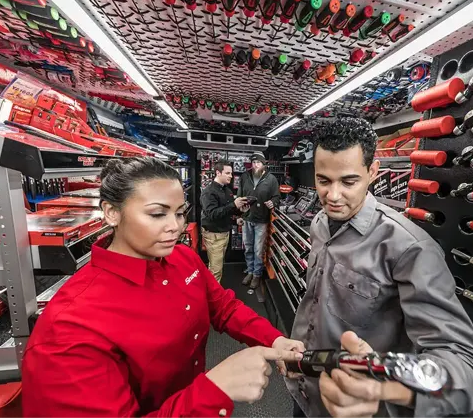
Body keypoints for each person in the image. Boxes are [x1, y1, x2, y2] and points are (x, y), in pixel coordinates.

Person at [22, 157, 304, 417]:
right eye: (158, 214)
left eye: (180, 213)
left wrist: (274, 339)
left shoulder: (183, 258)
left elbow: (224, 308)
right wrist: (214, 389)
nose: (175, 227)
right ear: (111, 212)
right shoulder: (68, 329)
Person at [286, 118, 473, 418]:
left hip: (360, 408)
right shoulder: (319, 224)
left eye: (348, 182)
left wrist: (389, 387)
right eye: (323, 181)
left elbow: (465, 370)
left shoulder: (409, 248)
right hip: (305, 392)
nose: (333, 196)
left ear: (373, 172)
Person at [201, 160, 249, 283]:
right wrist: (233, 205)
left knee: (217, 265)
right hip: (214, 235)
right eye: (227, 173)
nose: (231, 176)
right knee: (216, 270)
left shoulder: (227, 191)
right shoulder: (209, 192)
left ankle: (213, 290)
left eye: (231, 173)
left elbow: (227, 212)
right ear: (218, 173)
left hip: (224, 233)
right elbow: (212, 214)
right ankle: (212, 294)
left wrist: (240, 212)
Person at [238, 151, 280, 289]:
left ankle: (257, 274)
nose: (255, 165)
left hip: (262, 219)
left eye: (258, 162)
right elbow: (239, 196)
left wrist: (273, 202)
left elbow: (276, 197)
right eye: (254, 162)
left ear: (264, 164)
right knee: (248, 247)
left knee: (258, 249)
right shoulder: (245, 176)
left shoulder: (271, 179)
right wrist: (239, 214)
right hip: (247, 218)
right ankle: (250, 271)